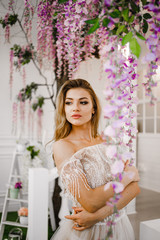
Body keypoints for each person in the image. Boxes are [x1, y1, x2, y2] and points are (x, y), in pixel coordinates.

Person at [51, 79, 140, 240]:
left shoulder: (109, 141)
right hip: (87, 232)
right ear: (63, 109)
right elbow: (90, 202)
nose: (75, 108)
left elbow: (134, 190)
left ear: (93, 108)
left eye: (83, 102)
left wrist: (98, 215)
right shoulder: (63, 146)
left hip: (119, 226)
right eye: (69, 103)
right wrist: (126, 177)